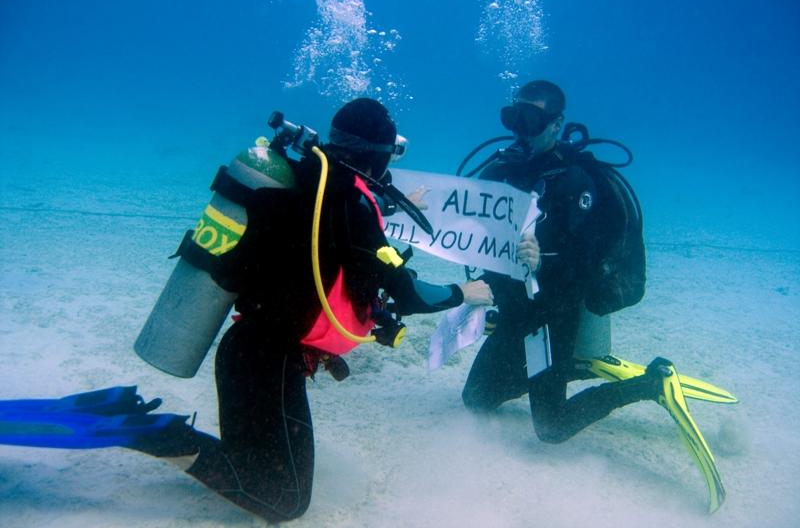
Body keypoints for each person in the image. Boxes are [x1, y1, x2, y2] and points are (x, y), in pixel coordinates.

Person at [132, 98, 494, 522]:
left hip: (247, 351)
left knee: (255, 467)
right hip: (269, 363)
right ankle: (151, 434)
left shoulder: (306, 179)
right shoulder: (349, 205)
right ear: (376, 155)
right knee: (284, 500)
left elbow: (333, 223)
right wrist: (462, 291)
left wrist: (389, 205)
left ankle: (152, 431)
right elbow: (410, 294)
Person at [461, 80, 666, 442]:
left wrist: (544, 261)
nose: (521, 129)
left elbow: (589, 262)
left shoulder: (576, 182)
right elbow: (466, 226)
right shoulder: (498, 171)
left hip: (552, 316)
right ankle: (565, 369)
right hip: (513, 310)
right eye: (515, 118)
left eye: (532, 119)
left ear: (556, 124)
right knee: (476, 399)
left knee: (551, 427)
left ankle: (651, 384)